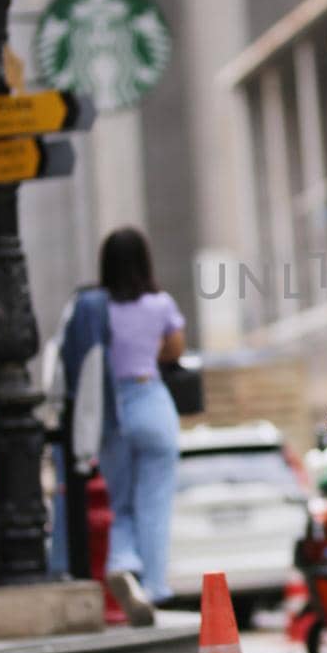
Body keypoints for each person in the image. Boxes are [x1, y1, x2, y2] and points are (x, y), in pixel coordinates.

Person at [95, 228, 186, 625]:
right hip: (150, 399)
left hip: (110, 408)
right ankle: (151, 586)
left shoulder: (97, 308)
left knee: (122, 501)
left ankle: (121, 560)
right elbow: (175, 349)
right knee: (155, 500)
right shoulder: (159, 303)